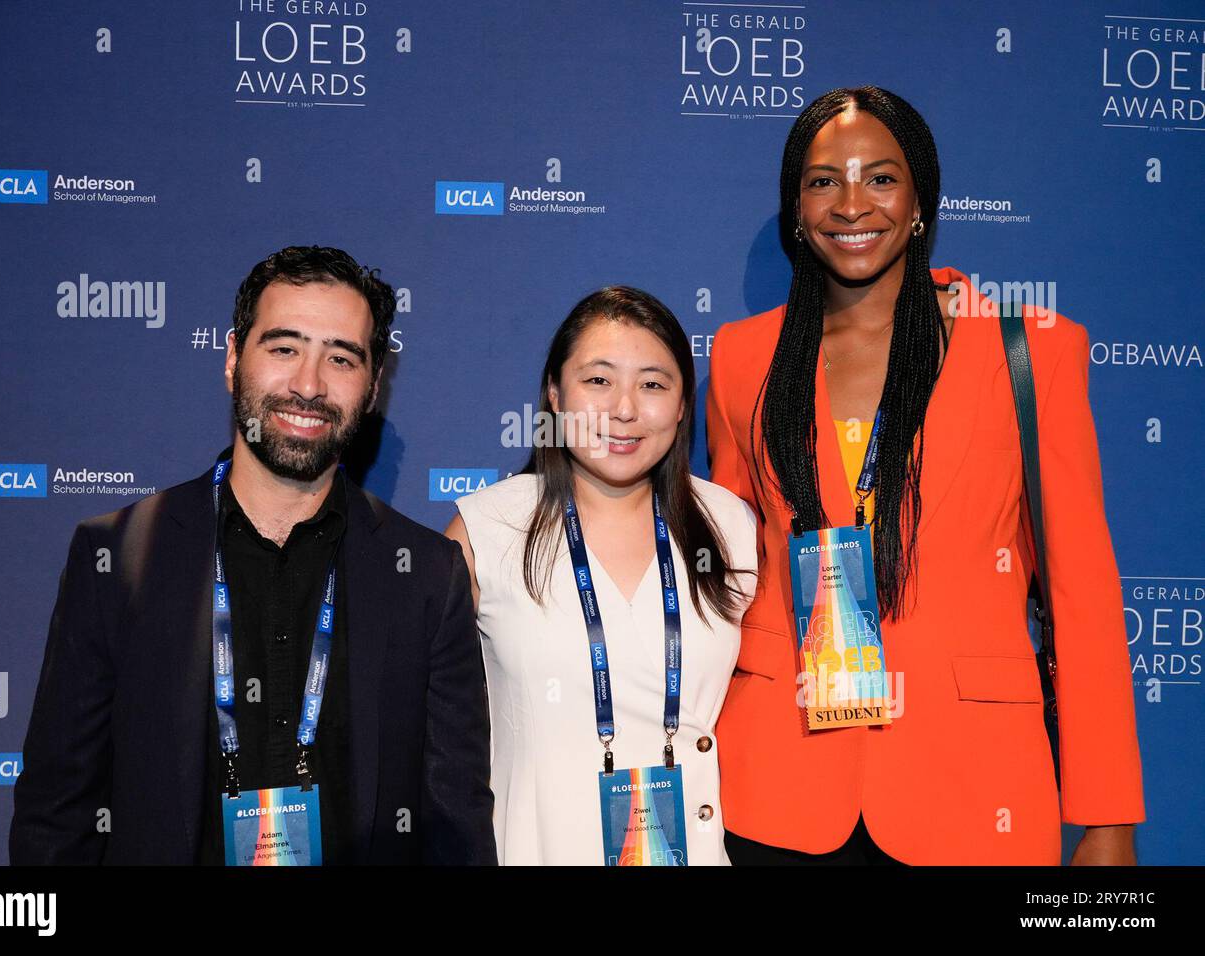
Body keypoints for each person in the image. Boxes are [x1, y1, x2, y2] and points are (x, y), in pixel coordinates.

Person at [706, 87, 1144, 865]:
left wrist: (1108, 820)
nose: (851, 204)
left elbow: (1081, 595)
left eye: (880, 178)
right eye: (821, 181)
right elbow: (731, 570)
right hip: (774, 785)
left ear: (919, 202)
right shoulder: (744, 358)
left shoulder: (1031, 351)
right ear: (796, 211)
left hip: (973, 794)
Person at [10, 245, 496, 865]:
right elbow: (57, 813)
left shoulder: (425, 573)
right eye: (284, 348)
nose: (308, 385)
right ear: (234, 358)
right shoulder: (117, 556)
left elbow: (456, 827)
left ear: (373, 387)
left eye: (340, 358)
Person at [445, 287, 758, 865]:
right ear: (554, 393)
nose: (625, 409)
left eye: (653, 384)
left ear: (684, 405)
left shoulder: (729, 524)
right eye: (597, 380)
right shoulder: (487, 528)